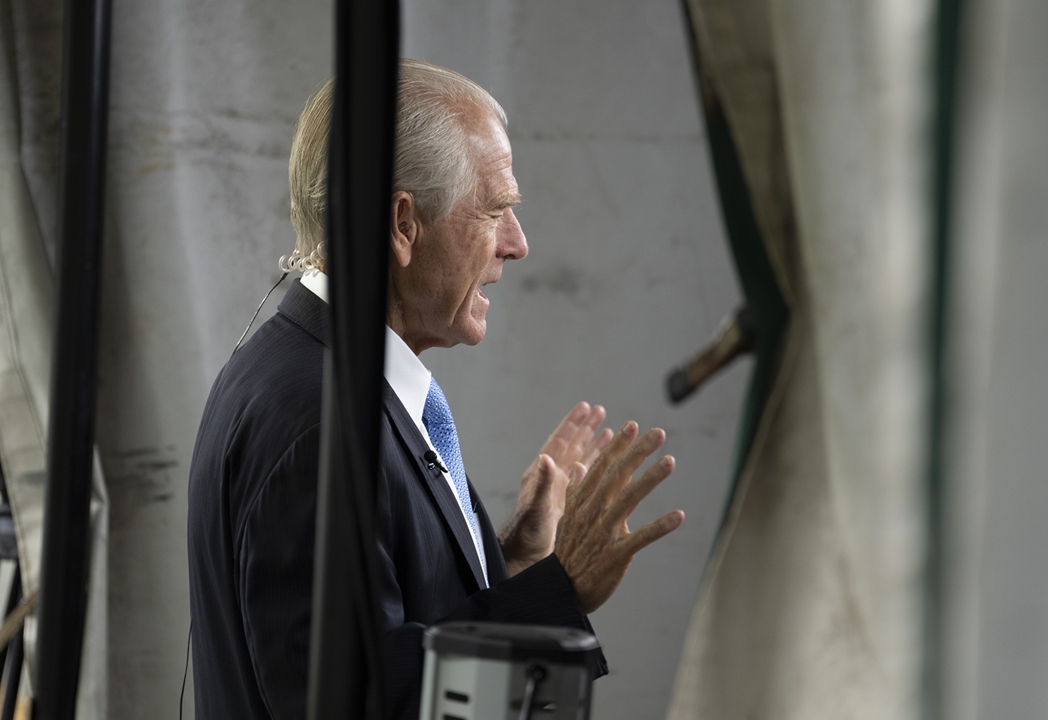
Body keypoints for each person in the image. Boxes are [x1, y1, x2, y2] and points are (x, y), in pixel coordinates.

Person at [187, 59, 684, 720]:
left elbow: (381, 632)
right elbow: (348, 702)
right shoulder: (320, 424)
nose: (519, 244)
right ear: (402, 224)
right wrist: (558, 593)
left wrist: (509, 562)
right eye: (496, 210)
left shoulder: (318, 378)